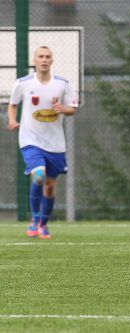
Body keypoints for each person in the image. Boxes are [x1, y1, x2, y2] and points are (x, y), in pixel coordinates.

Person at [7, 46, 78, 239]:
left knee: (50, 186)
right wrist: (12, 120)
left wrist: (62, 108)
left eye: (47, 57)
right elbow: (12, 104)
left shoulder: (63, 84)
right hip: (30, 139)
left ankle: (43, 224)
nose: (44, 60)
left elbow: (73, 109)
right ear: (35, 60)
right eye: (41, 57)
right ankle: (34, 219)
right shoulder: (23, 83)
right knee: (38, 175)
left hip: (55, 143)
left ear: (51, 61)